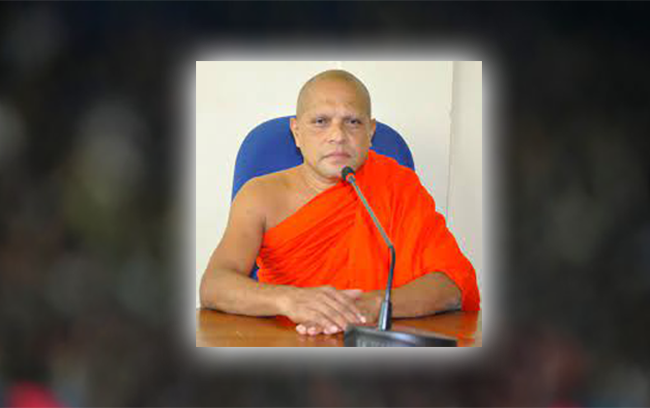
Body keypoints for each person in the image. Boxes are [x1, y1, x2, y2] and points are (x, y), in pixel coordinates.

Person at [200, 69, 480, 336]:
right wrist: (290, 300)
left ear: (370, 132)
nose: (338, 136)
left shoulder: (398, 186)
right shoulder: (260, 196)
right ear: (296, 132)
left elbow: (452, 285)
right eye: (320, 121)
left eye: (353, 122)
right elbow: (215, 284)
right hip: (286, 340)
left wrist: (373, 305)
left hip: (377, 342)